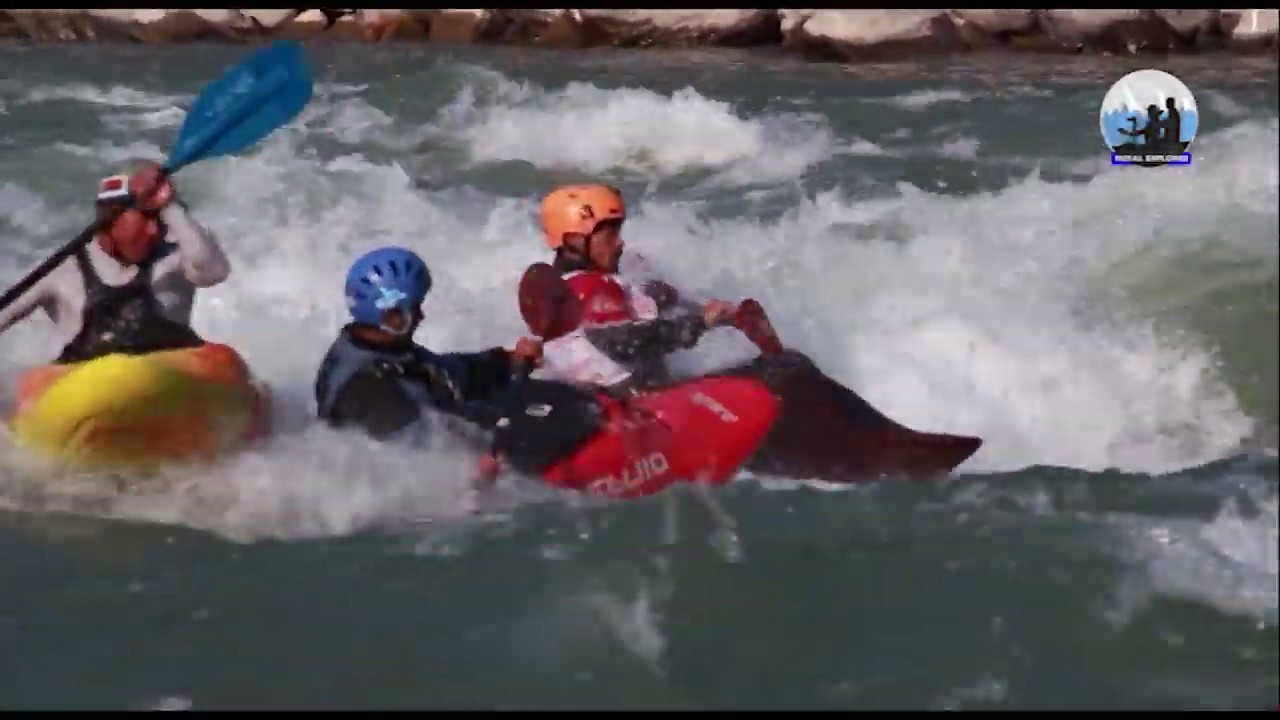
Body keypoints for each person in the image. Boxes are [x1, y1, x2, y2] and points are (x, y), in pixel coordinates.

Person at [0, 160, 231, 364]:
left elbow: (215, 272)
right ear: (110, 214)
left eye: (159, 219)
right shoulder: (60, 269)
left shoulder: (178, 257)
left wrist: (169, 206)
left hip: (170, 381)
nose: (154, 230)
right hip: (82, 392)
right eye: (147, 218)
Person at [314, 246, 544, 442]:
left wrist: (505, 362)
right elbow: (441, 447)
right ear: (392, 316)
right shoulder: (365, 390)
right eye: (415, 308)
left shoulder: (384, 349)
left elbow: (443, 371)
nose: (421, 316)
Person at [533, 183, 740, 391]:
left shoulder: (570, 285)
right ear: (573, 241)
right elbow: (626, 343)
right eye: (610, 236)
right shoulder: (585, 287)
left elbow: (623, 318)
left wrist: (659, 298)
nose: (620, 243)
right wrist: (700, 322)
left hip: (629, 399)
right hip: (630, 406)